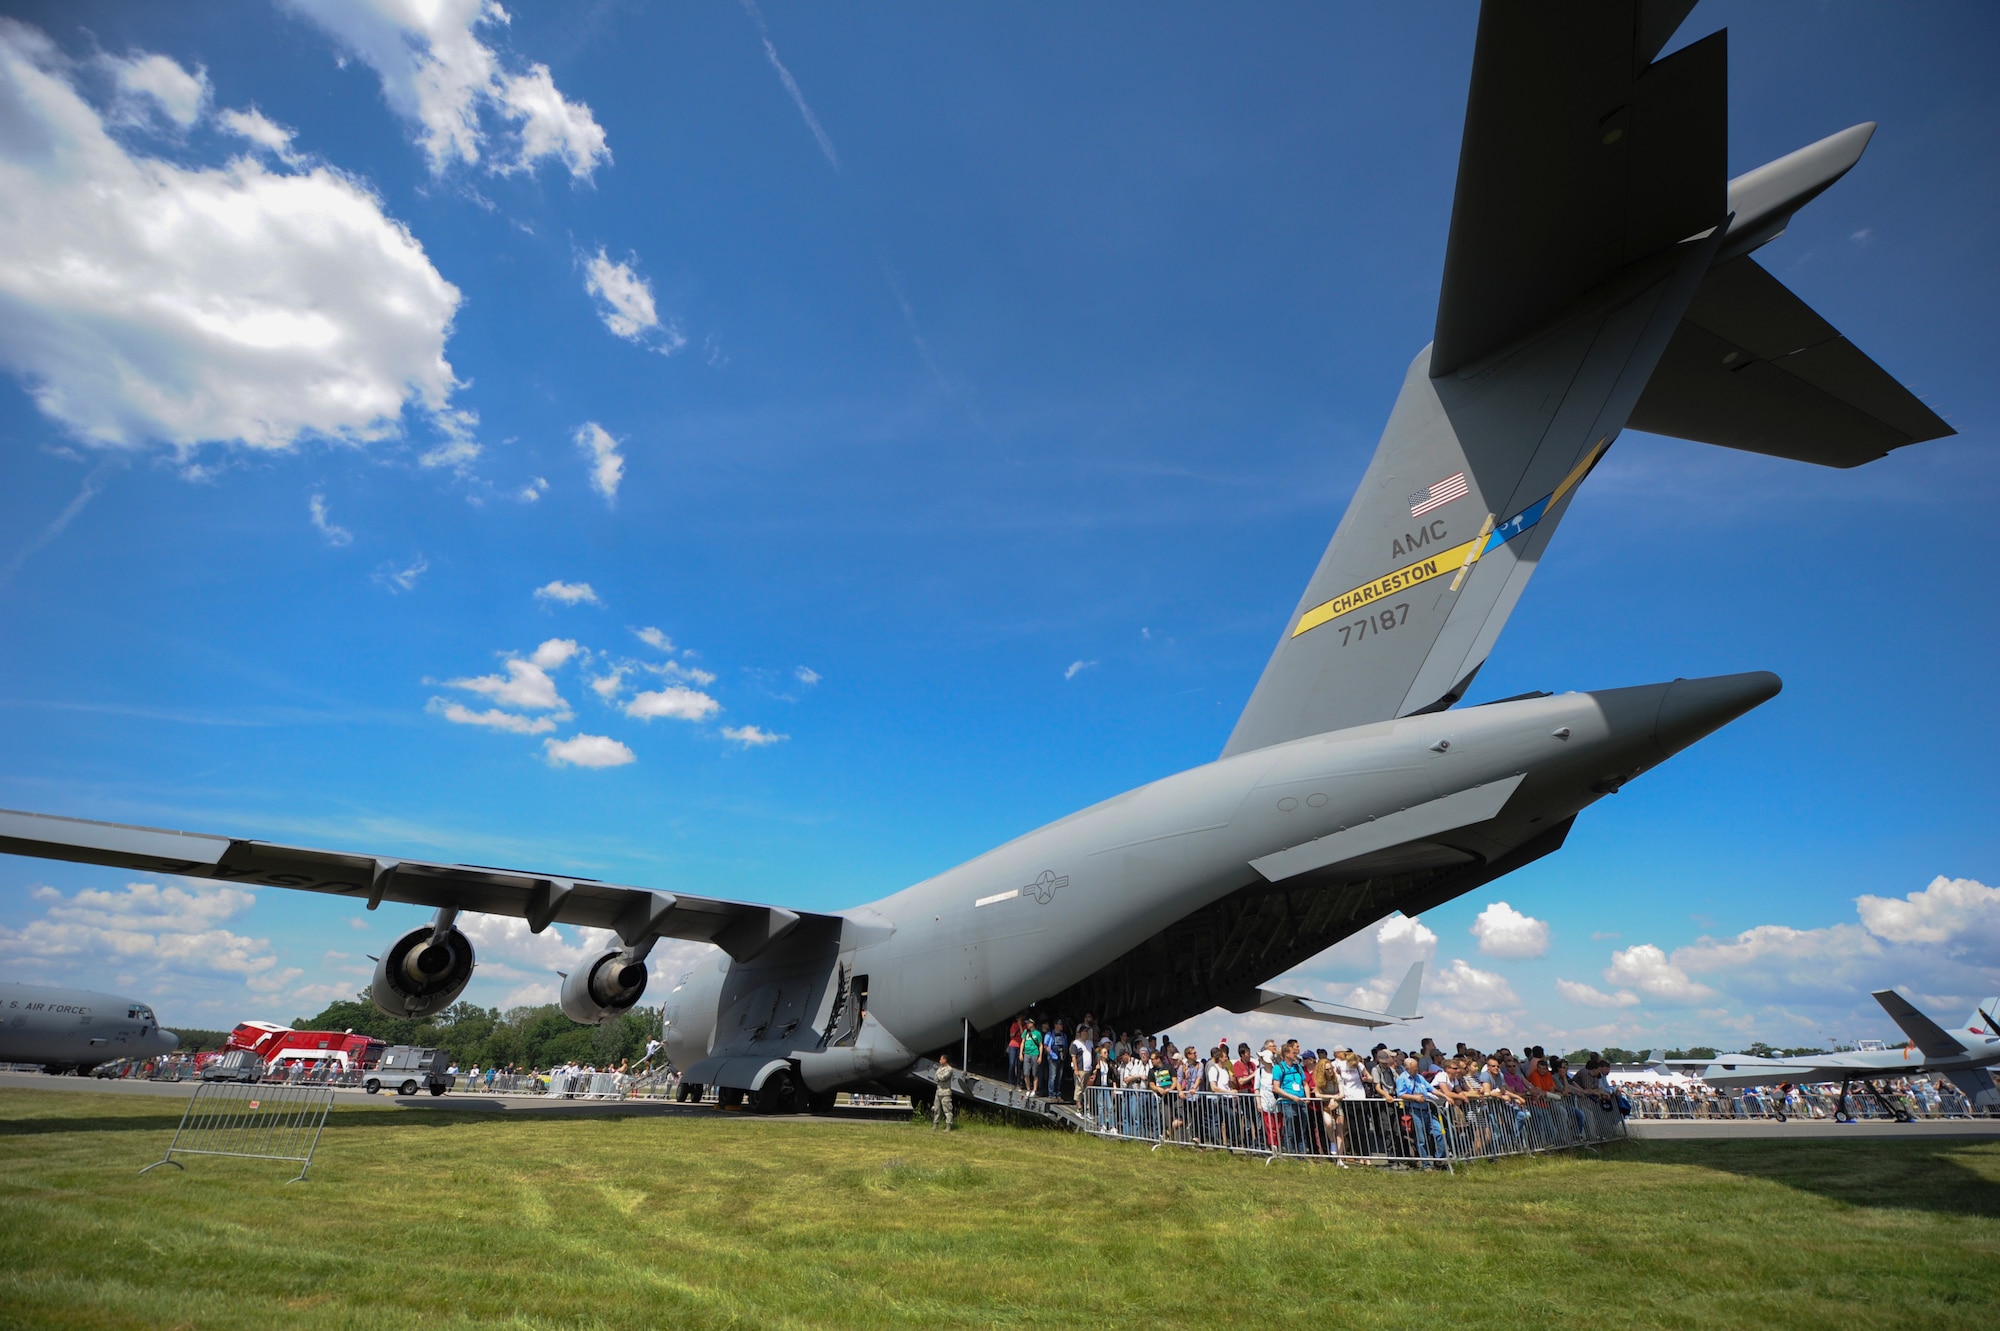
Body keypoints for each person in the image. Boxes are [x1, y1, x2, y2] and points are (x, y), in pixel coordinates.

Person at [1398, 1056, 1446, 1165]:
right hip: (1414, 1110)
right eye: (1414, 1069)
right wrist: (1415, 1098)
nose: (1417, 1071)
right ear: (1407, 1069)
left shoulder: (1420, 1077)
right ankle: (1426, 1164)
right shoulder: (1402, 1079)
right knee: (1421, 1140)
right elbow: (1400, 1094)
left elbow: (1431, 1089)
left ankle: (1439, 1160)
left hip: (1427, 1109)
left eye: (1417, 1069)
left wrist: (1444, 1096)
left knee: (1439, 1132)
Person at [931, 1053, 955, 1131]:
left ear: (945, 1060)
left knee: (947, 1110)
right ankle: (935, 1125)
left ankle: (948, 1125)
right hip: (938, 1092)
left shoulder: (949, 1069)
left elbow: (943, 1077)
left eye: (941, 1059)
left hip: (945, 1093)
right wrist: (938, 1075)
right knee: (936, 1109)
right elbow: (935, 1078)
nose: (940, 1061)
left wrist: (938, 1075)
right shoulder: (940, 1069)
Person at [1021, 1020, 1044, 1096]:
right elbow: (1022, 1042)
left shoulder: (1038, 1033)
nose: (1027, 1025)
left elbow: (1041, 1045)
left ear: (1032, 1024)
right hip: (1027, 1053)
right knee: (1026, 1072)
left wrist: (1040, 1056)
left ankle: (1034, 1089)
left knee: (1035, 1073)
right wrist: (1021, 1053)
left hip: (1035, 1054)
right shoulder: (1025, 1032)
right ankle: (1028, 1089)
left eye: (1028, 1023)